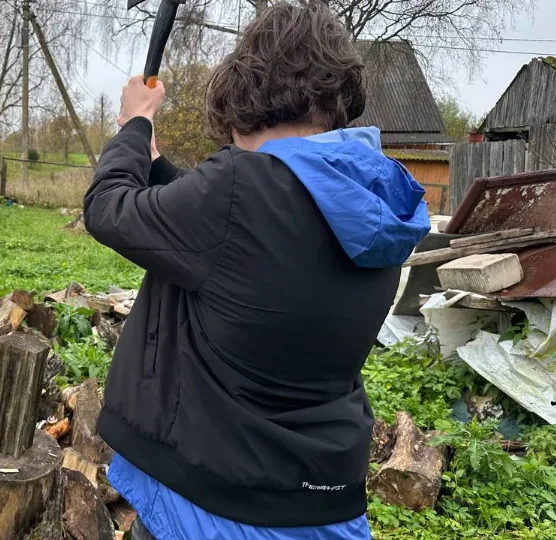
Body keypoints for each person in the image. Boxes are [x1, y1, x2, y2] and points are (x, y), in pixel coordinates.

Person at [83, 3, 430, 539]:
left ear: (245, 93)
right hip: (320, 502)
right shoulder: (375, 193)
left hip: (215, 500)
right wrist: (153, 163)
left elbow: (108, 208)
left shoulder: (240, 189)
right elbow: (239, 245)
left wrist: (135, 122)